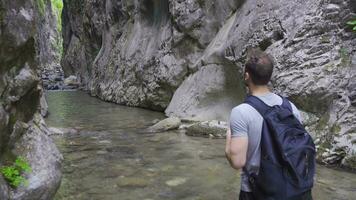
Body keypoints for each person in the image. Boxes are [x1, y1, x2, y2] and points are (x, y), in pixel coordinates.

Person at [225, 48, 313, 200]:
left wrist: (228, 136)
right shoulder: (290, 107)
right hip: (294, 188)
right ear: (269, 75)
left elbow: (237, 162)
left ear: (247, 76)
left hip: (257, 192)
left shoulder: (241, 112)